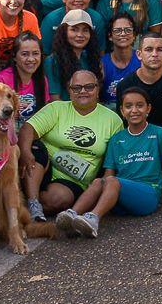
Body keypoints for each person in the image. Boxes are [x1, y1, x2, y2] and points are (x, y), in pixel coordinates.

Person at [56, 87, 162, 237]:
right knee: (100, 181)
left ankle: (93, 219)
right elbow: (109, 173)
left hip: (147, 196)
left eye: (139, 105)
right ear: (122, 110)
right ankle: (72, 215)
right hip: (119, 198)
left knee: (112, 181)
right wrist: (96, 189)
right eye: (128, 106)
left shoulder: (159, 133)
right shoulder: (116, 139)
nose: (134, 110)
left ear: (148, 109)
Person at [20, 67, 123, 221]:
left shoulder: (113, 120)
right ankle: (33, 203)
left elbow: (114, 159)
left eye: (89, 87)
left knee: (58, 200)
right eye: (77, 87)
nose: (83, 91)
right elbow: (28, 129)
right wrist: (25, 151)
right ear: (69, 90)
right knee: (34, 148)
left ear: (97, 89)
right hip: (42, 167)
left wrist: (100, 187)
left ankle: (22, 200)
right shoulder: (57, 108)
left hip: (73, 180)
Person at [114, 31, 162, 191]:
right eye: (149, 49)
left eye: (160, 50)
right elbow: (123, 122)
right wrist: (150, 139)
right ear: (139, 54)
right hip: (139, 137)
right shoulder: (126, 85)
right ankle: (153, 175)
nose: (155, 54)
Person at [0, 30, 48, 129]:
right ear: (14, 57)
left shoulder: (42, 80)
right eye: (25, 54)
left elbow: (45, 115)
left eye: (35, 53)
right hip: (5, 135)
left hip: (32, 135)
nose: (31, 59)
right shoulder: (0, 80)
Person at [44, 10, 102, 102]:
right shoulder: (53, 61)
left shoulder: (91, 58)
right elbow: (55, 100)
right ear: (64, 32)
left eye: (85, 30)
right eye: (74, 29)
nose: (80, 35)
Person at [100, 14, 141, 104]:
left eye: (128, 30)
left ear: (134, 35)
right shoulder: (102, 63)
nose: (123, 34)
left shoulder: (142, 60)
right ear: (110, 36)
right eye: (117, 31)